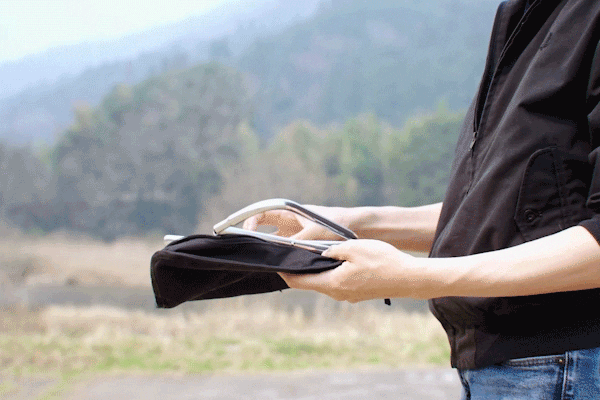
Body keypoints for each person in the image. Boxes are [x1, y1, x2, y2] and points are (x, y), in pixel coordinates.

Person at [244, 0, 600, 398]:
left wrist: (412, 277)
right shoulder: (527, 15)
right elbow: (505, 214)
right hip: (508, 366)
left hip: (566, 364)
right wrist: (349, 223)